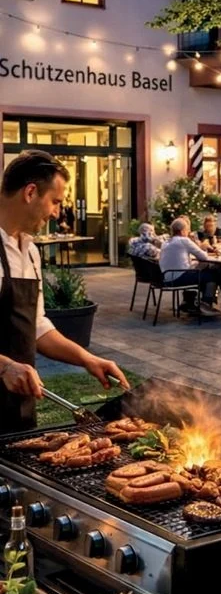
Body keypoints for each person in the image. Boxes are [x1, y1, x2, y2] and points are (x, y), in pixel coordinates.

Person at [0, 150, 129, 430]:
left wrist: (87, 359)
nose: (57, 213)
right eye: (55, 201)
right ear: (30, 192)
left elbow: (36, 326)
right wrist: (5, 366)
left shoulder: (30, 251)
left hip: (16, 405)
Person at [159, 217, 221, 314]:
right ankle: (209, 303)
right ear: (182, 231)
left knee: (213, 271)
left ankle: (203, 302)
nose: (188, 232)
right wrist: (206, 248)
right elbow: (203, 256)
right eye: (187, 230)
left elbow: (180, 262)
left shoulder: (166, 242)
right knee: (215, 272)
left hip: (167, 277)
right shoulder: (184, 240)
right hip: (179, 277)